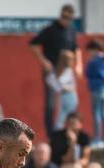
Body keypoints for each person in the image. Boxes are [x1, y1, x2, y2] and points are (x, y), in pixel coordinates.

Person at [29, 4, 81, 137]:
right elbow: (33, 44)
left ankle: (69, 132)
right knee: (51, 104)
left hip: (67, 72)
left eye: (69, 18)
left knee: (70, 103)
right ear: (60, 15)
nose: (66, 20)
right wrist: (44, 61)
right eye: (64, 16)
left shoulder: (71, 30)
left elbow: (76, 49)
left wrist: (79, 65)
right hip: (52, 72)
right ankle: (51, 134)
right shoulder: (50, 29)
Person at [84, 39, 104, 147]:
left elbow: (87, 74)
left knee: (96, 113)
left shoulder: (93, 62)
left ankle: (97, 139)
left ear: (95, 49)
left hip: (96, 89)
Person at [45, 49, 78, 131]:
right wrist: (60, 88)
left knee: (70, 117)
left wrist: (61, 87)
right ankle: (58, 133)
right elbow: (50, 79)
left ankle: (69, 134)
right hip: (64, 95)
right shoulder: (60, 71)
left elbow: (72, 85)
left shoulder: (68, 70)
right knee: (62, 116)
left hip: (70, 96)